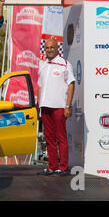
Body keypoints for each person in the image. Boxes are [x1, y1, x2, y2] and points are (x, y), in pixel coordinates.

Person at [37, 38, 75, 176]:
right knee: (49, 137)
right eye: (47, 48)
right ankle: (52, 166)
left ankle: (63, 167)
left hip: (59, 106)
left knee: (61, 137)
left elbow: (71, 84)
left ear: (57, 48)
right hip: (45, 106)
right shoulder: (43, 65)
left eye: (52, 47)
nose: (49, 50)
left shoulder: (65, 64)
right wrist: (38, 105)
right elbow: (40, 86)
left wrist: (68, 105)